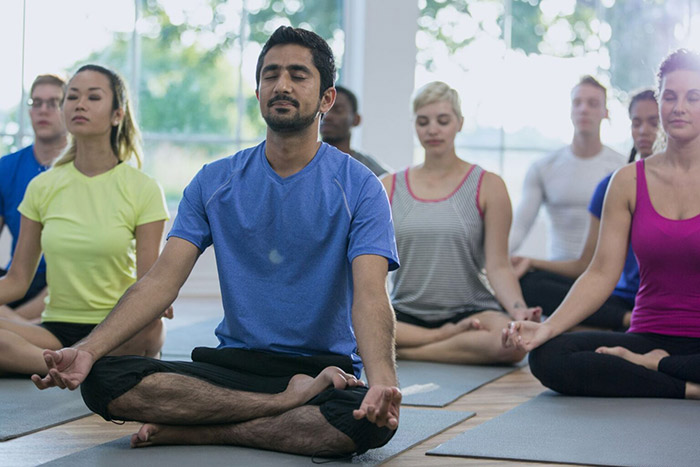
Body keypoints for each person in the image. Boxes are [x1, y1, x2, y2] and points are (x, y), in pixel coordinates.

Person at [33, 27, 402, 458]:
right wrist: (87, 350)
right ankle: (282, 405)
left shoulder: (360, 187)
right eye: (270, 74)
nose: (281, 85)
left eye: (298, 75)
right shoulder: (215, 180)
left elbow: (372, 296)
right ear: (259, 89)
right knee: (103, 380)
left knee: (363, 423)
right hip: (232, 367)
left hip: (323, 370)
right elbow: (160, 283)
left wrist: (382, 384)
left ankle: (206, 428)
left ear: (326, 98)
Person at [503, 49, 700, 400]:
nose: (679, 107)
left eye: (693, 97)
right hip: (647, 333)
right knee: (548, 356)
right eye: (670, 96)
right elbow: (599, 272)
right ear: (659, 102)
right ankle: (683, 385)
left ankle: (654, 368)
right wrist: (548, 328)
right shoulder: (627, 181)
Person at [0, 64, 170, 376]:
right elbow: (17, 280)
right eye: (72, 97)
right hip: (53, 330)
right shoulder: (42, 187)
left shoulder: (143, 188)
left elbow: (149, 284)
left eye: (93, 97)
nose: (79, 104)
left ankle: (72, 361)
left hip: (118, 330)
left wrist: (157, 304)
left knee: (151, 330)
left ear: (117, 114)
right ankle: (75, 364)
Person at [381, 81, 540, 365]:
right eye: (423, 121)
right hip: (406, 312)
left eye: (443, 120)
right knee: (357, 329)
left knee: (513, 344)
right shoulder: (388, 186)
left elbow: (499, 265)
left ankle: (407, 351)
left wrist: (519, 312)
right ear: (414, 125)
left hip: (472, 312)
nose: (432, 129)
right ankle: (445, 339)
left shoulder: (489, 185)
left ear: (459, 123)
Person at [512, 90, 659, 330]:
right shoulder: (614, 184)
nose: (644, 131)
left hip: (668, 300)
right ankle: (627, 319)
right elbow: (588, 265)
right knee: (530, 286)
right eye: (636, 123)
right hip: (618, 297)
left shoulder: (684, 185)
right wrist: (528, 261)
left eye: (654, 122)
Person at [510, 76, 626, 261]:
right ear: (570, 110)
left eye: (592, 103)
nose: (584, 109)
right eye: (577, 103)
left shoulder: (623, 168)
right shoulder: (543, 168)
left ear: (605, 112)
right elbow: (520, 226)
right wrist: (493, 260)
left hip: (608, 278)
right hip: (557, 274)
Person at [0, 74, 68, 322]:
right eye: (36, 103)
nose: (43, 110)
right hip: (18, 279)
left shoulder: (83, 169)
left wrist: (9, 323)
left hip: (69, 282)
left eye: (53, 103)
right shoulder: (6, 168)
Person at [320, 85, 390, 176]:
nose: (327, 116)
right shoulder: (302, 162)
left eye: (338, 110)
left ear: (356, 120)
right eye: (323, 110)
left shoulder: (372, 173)